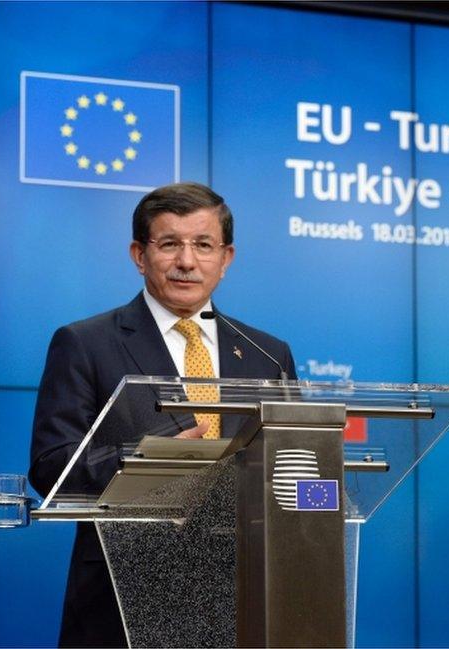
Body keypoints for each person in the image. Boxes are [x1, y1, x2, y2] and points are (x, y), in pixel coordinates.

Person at [28, 182, 297, 648]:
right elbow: (52, 468)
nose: (187, 261)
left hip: (244, 591)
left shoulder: (267, 354)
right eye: (170, 243)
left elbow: (291, 468)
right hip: (123, 593)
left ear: (226, 258)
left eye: (204, 245)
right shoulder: (85, 343)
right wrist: (149, 460)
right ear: (139, 254)